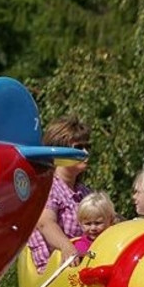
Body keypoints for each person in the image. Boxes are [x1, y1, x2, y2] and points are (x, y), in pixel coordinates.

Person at [26, 115, 92, 272]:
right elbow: (45, 223)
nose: (85, 152)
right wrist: (66, 246)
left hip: (80, 268)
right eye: (78, 147)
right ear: (60, 152)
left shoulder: (85, 193)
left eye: (88, 147)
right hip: (54, 273)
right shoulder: (48, 188)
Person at [72, 191, 116, 255]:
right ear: (80, 224)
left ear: (111, 221)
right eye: (88, 224)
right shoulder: (81, 245)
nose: (93, 228)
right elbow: (89, 256)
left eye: (98, 223)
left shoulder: (114, 239)